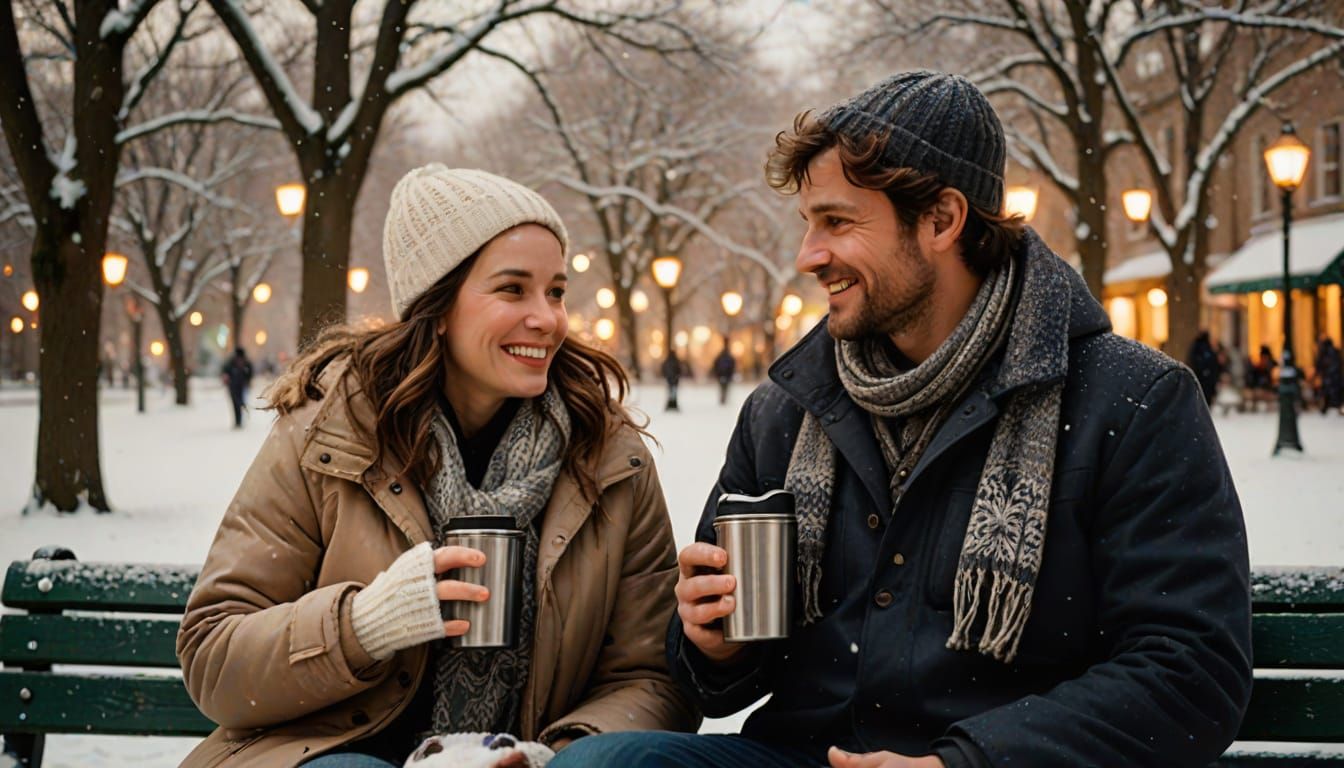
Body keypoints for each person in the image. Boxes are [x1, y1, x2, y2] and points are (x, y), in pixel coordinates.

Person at [554, 71, 1251, 768]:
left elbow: (1188, 671)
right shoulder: (789, 409)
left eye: (837, 222)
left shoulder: (1131, 401)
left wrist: (967, 761)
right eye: (808, 224)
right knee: (601, 766)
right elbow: (713, 680)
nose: (807, 257)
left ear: (942, 220)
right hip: (802, 755)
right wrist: (714, 643)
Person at [177, 166, 696, 767]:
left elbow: (652, 679)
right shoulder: (328, 435)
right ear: (439, 305)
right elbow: (214, 658)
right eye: (512, 289)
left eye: (555, 291)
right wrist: (364, 624)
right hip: (334, 749)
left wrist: (551, 754)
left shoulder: (607, 457)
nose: (548, 318)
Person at [221, 347, 253, 428]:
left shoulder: (244, 363)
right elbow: (225, 371)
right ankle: (237, 421)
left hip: (241, 386)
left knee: (239, 403)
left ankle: (239, 421)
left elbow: (250, 373)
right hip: (233, 386)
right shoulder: (232, 363)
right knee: (236, 404)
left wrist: (248, 381)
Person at [1187, 329, 1221, 406]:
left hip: (1202, 378)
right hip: (1205, 378)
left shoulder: (1198, 347)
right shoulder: (1205, 348)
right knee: (1206, 397)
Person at [1316, 335, 1343, 414]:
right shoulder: (1335, 352)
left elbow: (1320, 364)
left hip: (1330, 377)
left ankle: (1326, 408)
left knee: (1327, 392)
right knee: (1334, 393)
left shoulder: (1325, 352)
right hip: (1335, 377)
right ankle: (1335, 406)